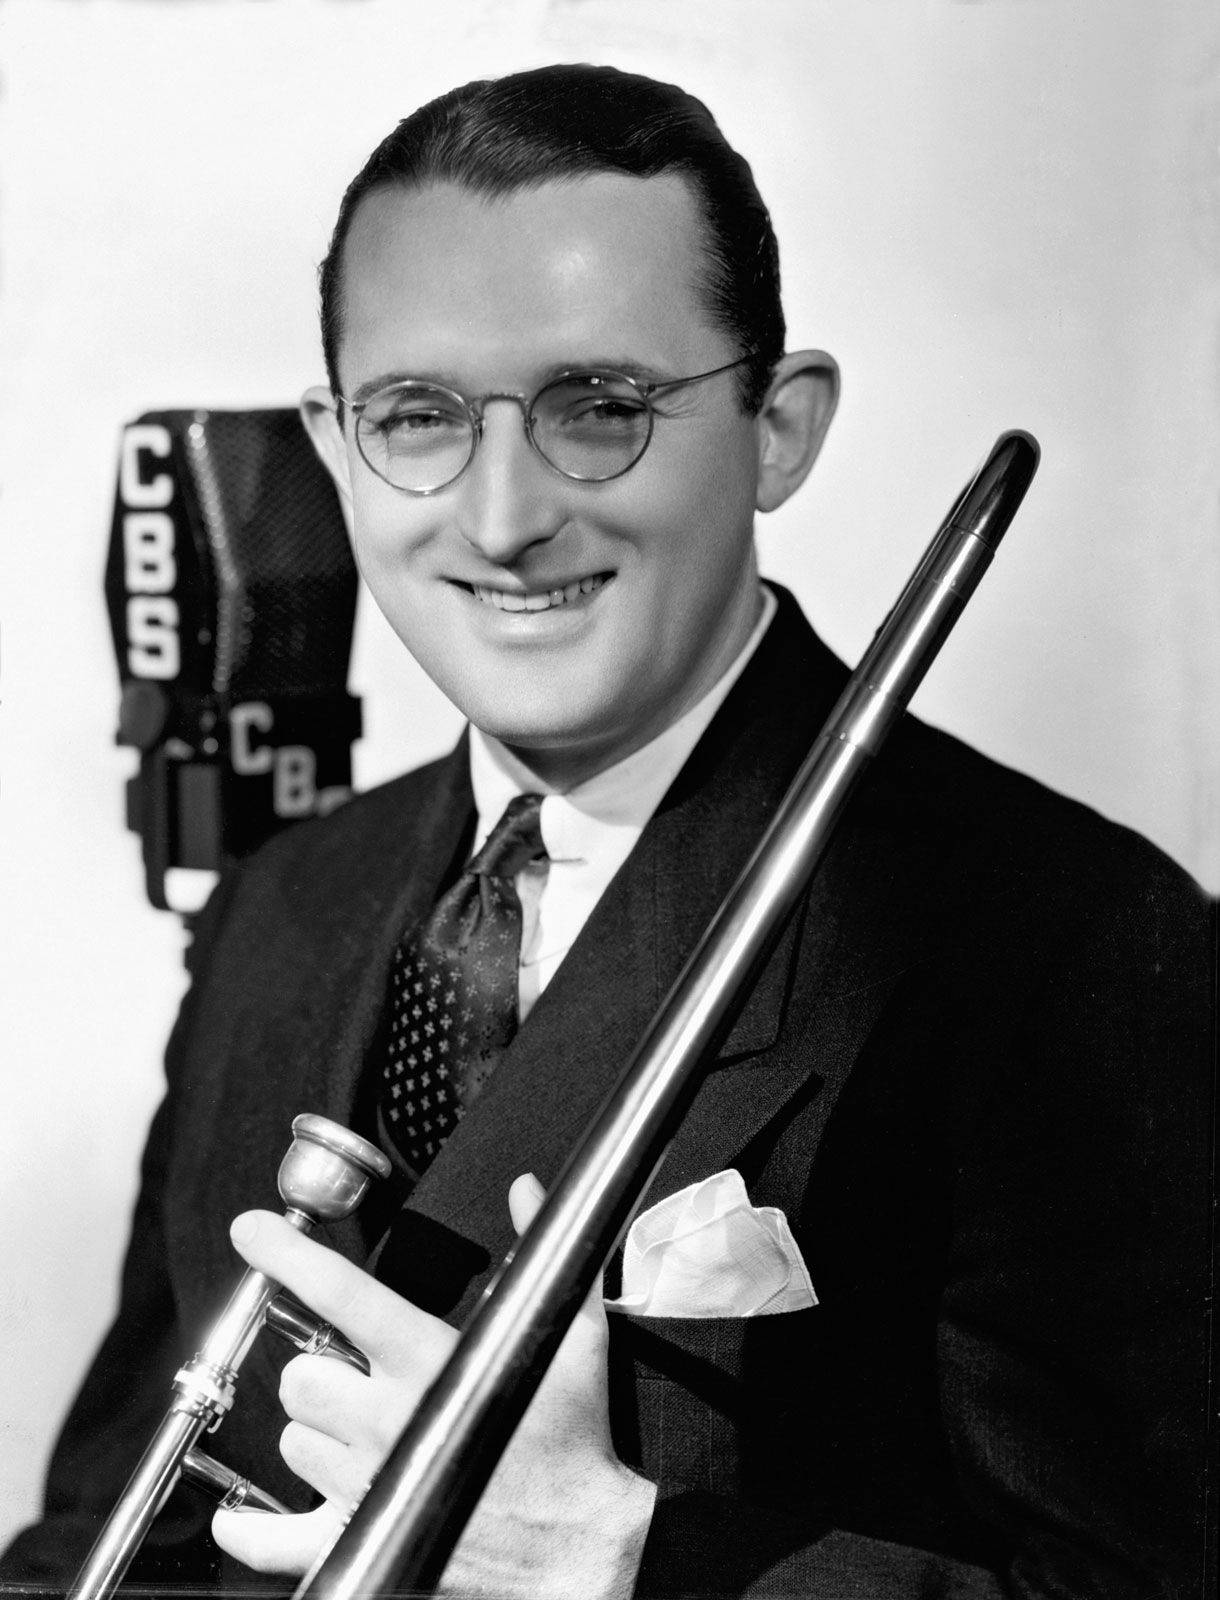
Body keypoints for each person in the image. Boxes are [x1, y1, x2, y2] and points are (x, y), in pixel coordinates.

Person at [3, 64, 1211, 1600]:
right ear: (333, 440)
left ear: (778, 430)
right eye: (419, 415)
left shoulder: (1078, 945)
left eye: (599, 409)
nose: (503, 518)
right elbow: (129, 1526)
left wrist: (622, 1559)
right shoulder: (279, 906)